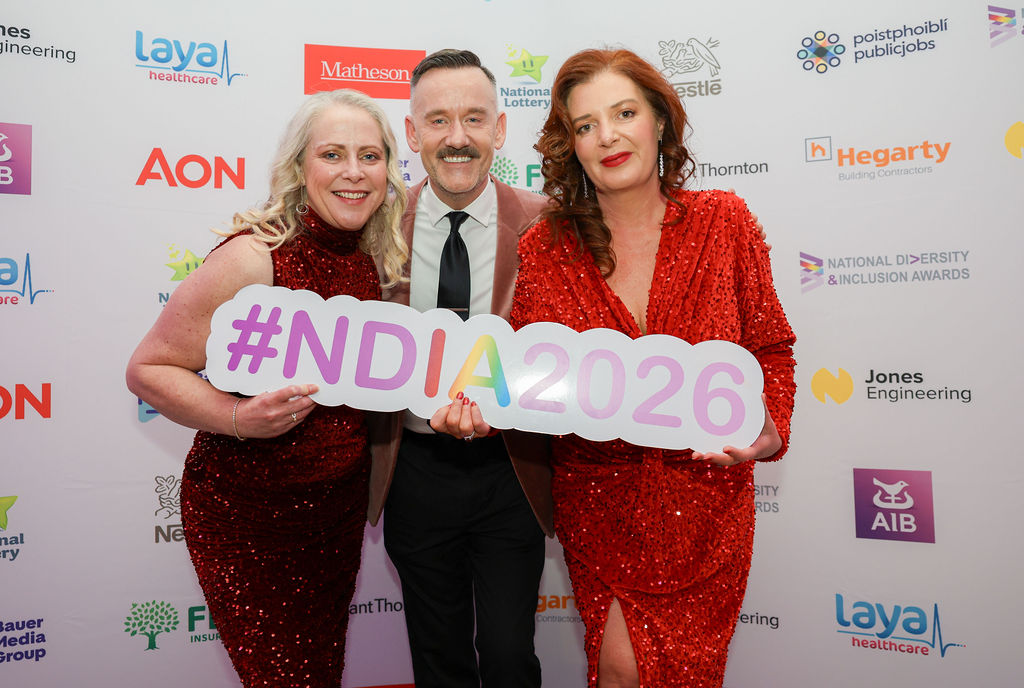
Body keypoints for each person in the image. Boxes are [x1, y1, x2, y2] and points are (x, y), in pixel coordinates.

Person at [437, 48, 796, 688]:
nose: (607, 136)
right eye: (586, 124)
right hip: (601, 505)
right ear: (571, 145)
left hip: (707, 508)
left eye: (624, 113)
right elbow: (530, 381)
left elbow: (771, 347)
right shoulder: (547, 249)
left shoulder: (725, 222)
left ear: (659, 120)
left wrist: (770, 430)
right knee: (620, 670)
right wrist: (483, 414)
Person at [125, 89, 408, 688]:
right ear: (300, 167)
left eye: (370, 156)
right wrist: (237, 418)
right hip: (249, 519)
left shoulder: (368, 260)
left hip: (334, 517)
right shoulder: (257, 258)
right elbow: (149, 369)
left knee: (319, 671)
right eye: (332, 154)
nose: (354, 172)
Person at [364, 49, 552, 688]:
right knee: (437, 657)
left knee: (508, 656)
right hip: (414, 472)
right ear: (412, 133)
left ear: (500, 129)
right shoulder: (375, 227)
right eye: (438, 120)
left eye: (474, 118)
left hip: (511, 470)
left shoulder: (547, 225)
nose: (457, 138)